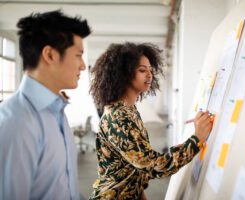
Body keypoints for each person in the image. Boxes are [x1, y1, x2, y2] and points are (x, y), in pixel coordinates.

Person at [89, 42, 212, 199]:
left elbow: (130, 165)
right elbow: (155, 166)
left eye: (150, 70)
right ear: (124, 74)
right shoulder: (119, 117)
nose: (149, 75)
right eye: (142, 70)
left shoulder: (128, 110)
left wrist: (139, 192)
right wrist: (197, 139)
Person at [0, 10, 91, 199]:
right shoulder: (17, 122)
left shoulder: (57, 111)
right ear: (50, 55)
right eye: (78, 55)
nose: (83, 65)